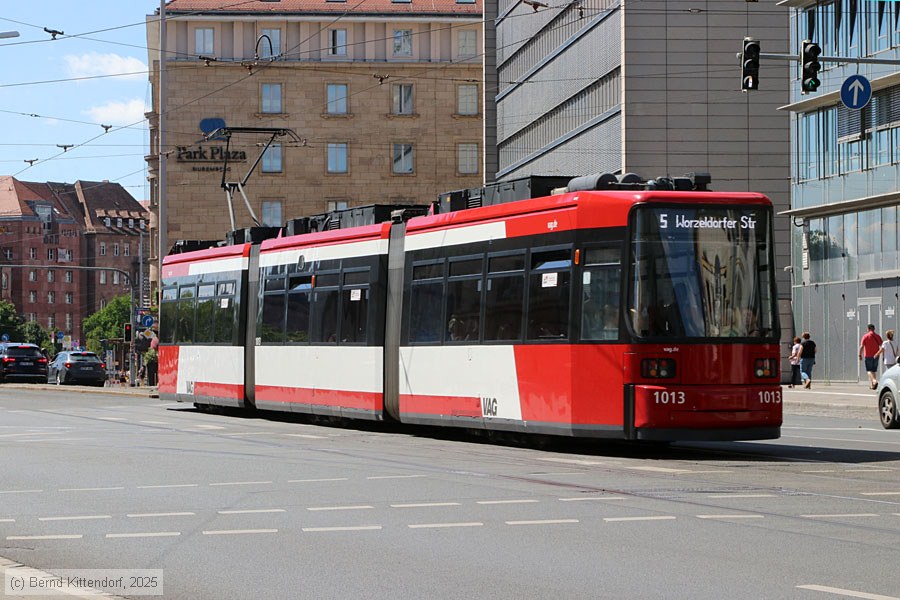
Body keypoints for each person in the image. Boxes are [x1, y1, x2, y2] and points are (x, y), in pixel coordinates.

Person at [859, 323, 883, 390]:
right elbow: (882, 346)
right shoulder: (877, 336)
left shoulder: (865, 336)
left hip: (868, 355)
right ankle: (873, 385)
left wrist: (860, 355)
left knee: (869, 370)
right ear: (874, 329)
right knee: (874, 370)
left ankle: (874, 381)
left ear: (868, 329)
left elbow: (861, 346)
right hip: (876, 355)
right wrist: (879, 353)